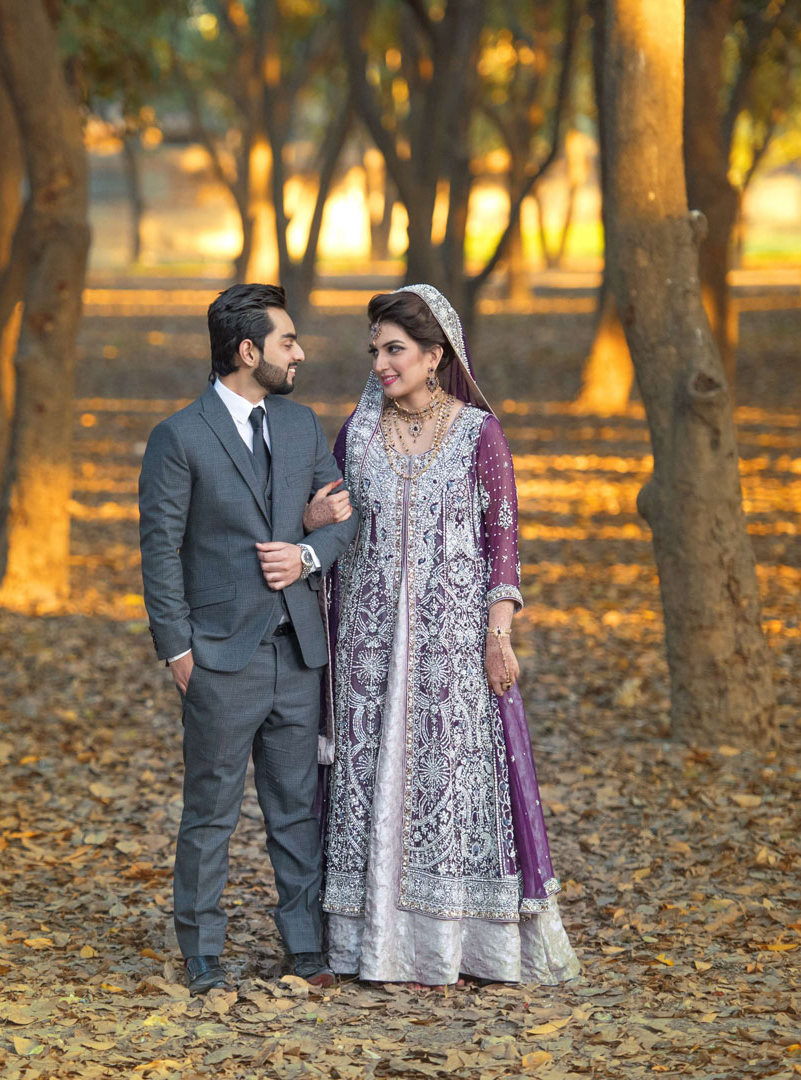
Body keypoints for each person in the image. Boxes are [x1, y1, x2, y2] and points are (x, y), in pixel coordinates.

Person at [318, 284, 580, 986]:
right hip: (368, 648)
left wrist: (499, 634)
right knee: (370, 780)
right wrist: (315, 523)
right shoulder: (358, 433)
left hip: (452, 649)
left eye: (394, 349)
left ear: (435, 355)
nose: (379, 363)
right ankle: (368, 945)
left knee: (452, 781)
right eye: (374, 350)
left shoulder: (477, 434)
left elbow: (504, 542)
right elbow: (336, 530)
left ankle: (454, 947)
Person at [138, 283, 359, 994]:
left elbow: (345, 515)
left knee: (295, 808)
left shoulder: (299, 427)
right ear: (247, 351)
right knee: (211, 811)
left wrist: (308, 552)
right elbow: (159, 550)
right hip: (219, 659)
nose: (299, 352)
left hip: (297, 650)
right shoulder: (179, 437)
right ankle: (201, 951)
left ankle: (305, 948)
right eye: (287, 341)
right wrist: (178, 650)